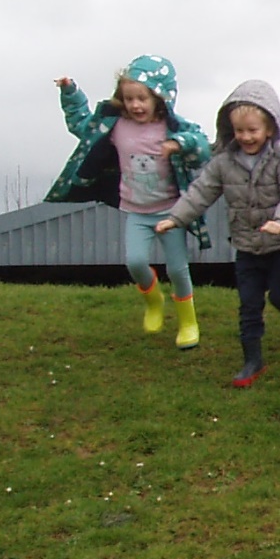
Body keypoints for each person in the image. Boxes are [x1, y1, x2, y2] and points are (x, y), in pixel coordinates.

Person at [154, 80, 280, 386]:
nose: (246, 137)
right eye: (239, 131)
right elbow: (200, 192)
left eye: (253, 130)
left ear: (270, 129)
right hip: (247, 249)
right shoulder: (222, 163)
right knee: (249, 305)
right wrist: (176, 218)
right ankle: (252, 360)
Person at [47, 55, 212, 349]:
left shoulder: (171, 126)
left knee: (177, 269)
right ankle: (153, 300)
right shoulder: (117, 126)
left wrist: (178, 144)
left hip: (171, 212)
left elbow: (201, 146)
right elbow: (82, 126)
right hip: (136, 211)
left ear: (159, 98)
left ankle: (188, 321)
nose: (136, 105)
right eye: (129, 98)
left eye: (142, 98)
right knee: (135, 262)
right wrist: (70, 93)